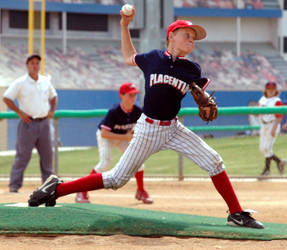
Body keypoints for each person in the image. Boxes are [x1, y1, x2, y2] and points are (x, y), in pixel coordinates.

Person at [28, 10, 264, 229]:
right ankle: (57, 189)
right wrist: (124, 25)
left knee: (214, 161)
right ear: (171, 35)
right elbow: (128, 56)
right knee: (116, 179)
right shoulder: (153, 58)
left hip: (173, 128)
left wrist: (204, 103)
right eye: (187, 35)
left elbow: (200, 97)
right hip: (147, 129)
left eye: (194, 38)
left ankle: (236, 213)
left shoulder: (192, 69)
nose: (192, 40)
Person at [75, 82, 152, 204]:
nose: (133, 98)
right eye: (130, 95)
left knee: (139, 162)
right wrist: (126, 136)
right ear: (122, 95)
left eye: (134, 95)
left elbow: (142, 127)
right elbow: (104, 134)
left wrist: (134, 134)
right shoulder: (114, 111)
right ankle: (82, 191)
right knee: (105, 163)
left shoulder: (138, 111)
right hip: (107, 137)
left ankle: (141, 191)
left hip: (122, 138)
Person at [3, 54, 57, 193]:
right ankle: (14, 186)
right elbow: (7, 98)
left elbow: (54, 96)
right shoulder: (20, 82)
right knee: (22, 156)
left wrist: (52, 110)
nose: (35, 65)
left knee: (47, 157)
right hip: (28, 124)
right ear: (27, 65)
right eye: (32, 63)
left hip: (44, 123)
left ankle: (48, 187)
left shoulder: (45, 81)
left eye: (37, 63)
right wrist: (20, 112)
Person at [258, 82, 285, 176]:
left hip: (272, 124)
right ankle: (279, 161)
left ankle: (267, 170)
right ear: (265, 90)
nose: (270, 91)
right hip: (264, 125)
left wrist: (274, 128)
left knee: (267, 147)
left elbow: (279, 116)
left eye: (272, 89)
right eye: (269, 89)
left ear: (276, 90)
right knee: (262, 149)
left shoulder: (277, 100)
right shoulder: (262, 99)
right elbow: (258, 112)